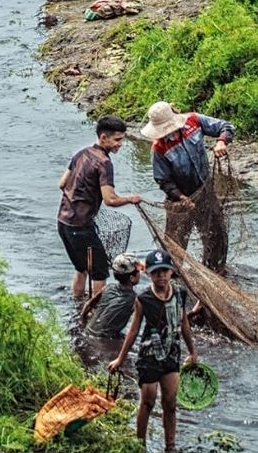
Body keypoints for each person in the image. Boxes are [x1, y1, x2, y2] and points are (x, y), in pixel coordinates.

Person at [106, 249, 198, 453]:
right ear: (149, 274)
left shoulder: (180, 295)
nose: (161, 276)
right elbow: (134, 329)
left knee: (170, 403)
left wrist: (192, 352)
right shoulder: (143, 298)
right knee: (148, 400)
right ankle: (140, 445)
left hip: (171, 355)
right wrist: (120, 358)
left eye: (165, 271)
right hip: (149, 356)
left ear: (172, 272)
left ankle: (170, 446)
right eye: (156, 272)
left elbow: (184, 324)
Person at [57, 115, 143, 299]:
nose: (120, 144)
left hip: (63, 222)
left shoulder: (81, 153)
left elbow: (62, 184)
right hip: (81, 227)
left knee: (81, 268)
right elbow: (110, 199)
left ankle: (78, 305)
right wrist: (131, 199)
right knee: (100, 271)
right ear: (104, 138)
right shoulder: (104, 163)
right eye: (117, 140)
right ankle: (98, 313)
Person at [141, 101, 234, 271]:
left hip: (205, 192)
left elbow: (225, 126)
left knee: (216, 235)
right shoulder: (159, 148)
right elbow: (163, 180)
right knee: (175, 245)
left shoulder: (193, 121)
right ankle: (172, 279)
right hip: (179, 202)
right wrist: (181, 197)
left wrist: (222, 142)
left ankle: (215, 271)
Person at [81, 253, 141, 337]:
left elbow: (88, 304)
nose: (140, 273)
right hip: (104, 338)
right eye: (138, 271)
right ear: (132, 278)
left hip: (88, 331)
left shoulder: (108, 287)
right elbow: (134, 328)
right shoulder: (135, 299)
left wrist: (82, 320)